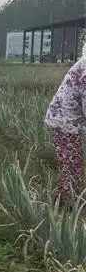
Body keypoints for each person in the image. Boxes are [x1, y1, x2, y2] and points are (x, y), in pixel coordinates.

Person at [45, 42, 86, 204]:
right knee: (72, 162)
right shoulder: (85, 71)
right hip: (64, 121)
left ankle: (65, 198)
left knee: (72, 161)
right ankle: (65, 204)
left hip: (67, 120)